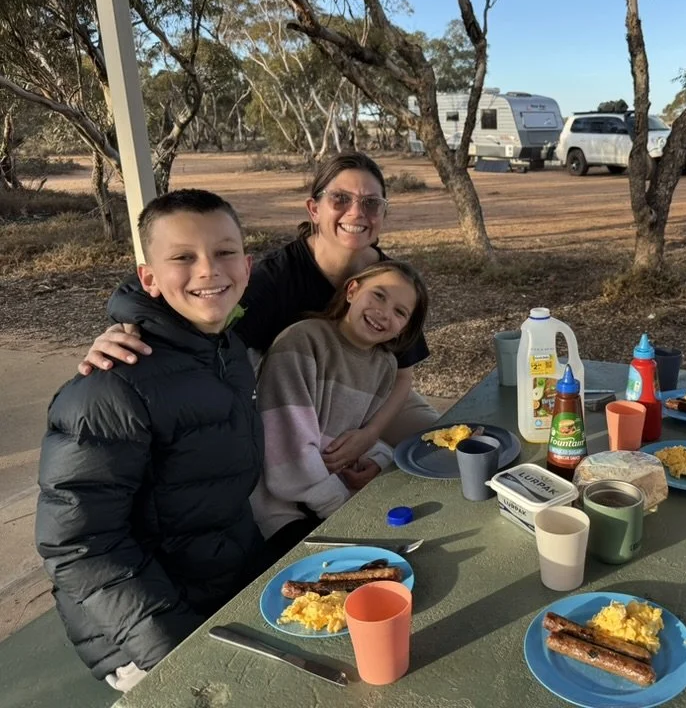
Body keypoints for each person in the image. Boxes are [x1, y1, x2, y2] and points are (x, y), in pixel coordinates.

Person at [76, 152, 440, 472]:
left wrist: (370, 434)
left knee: (443, 447)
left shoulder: (390, 282)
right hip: (302, 398)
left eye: (371, 203)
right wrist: (129, 325)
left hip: (374, 388)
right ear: (314, 209)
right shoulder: (274, 279)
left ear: (383, 213)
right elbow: (197, 309)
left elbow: (403, 377)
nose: (357, 212)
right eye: (340, 199)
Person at [35, 190, 265, 691]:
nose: (208, 270)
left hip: (223, 589)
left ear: (247, 266)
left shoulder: (226, 349)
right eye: (183, 257)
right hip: (144, 636)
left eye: (224, 252)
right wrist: (179, 654)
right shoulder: (111, 385)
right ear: (150, 278)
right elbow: (79, 543)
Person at [252, 260, 429, 560]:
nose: (384, 313)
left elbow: (355, 435)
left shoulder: (383, 365)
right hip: (282, 508)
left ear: (404, 329)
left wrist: (375, 460)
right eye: (378, 295)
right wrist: (343, 509)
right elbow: (286, 453)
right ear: (351, 291)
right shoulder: (302, 342)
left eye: (400, 312)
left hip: (334, 492)